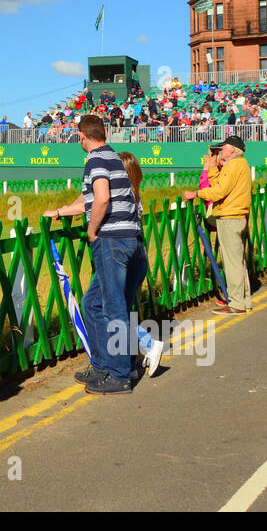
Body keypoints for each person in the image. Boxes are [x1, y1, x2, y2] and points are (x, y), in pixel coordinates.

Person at [44, 114, 145, 394]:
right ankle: (103, 366)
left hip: (111, 240)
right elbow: (88, 199)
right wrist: (61, 211)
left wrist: (92, 229)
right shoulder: (111, 156)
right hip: (128, 239)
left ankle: (121, 374)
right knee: (93, 304)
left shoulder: (95, 160)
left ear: (82, 136)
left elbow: (101, 198)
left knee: (113, 308)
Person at [183, 135, 253, 314]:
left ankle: (237, 303)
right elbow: (218, 184)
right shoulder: (240, 164)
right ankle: (243, 301)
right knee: (238, 261)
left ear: (232, 150)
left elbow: (219, 191)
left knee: (232, 263)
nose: (220, 151)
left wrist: (196, 194)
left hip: (230, 217)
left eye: (223, 148)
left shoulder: (234, 164)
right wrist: (213, 165)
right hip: (237, 215)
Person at [115, 152, 164, 377]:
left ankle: (148, 344)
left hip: (128, 258)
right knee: (121, 308)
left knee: (115, 311)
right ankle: (132, 355)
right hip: (138, 258)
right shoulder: (135, 194)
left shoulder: (124, 196)